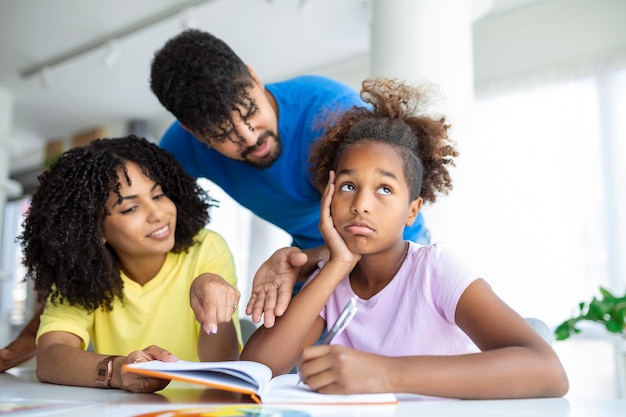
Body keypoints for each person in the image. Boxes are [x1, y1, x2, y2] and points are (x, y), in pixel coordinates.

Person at [240, 78, 569, 399]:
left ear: (412, 211)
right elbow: (255, 369)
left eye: (384, 189)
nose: (361, 205)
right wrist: (336, 264)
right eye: (347, 186)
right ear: (327, 197)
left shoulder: (434, 269)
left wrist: (384, 373)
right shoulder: (332, 279)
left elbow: (549, 371)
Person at [149, 29, 430, 327]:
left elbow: (375, 229)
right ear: (192, 132)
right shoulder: (179, 148)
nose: (249, 137)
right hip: (310, 257)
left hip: (390, 245)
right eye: (223, 134)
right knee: (279, 360)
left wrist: (303, 260)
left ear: (254, 78)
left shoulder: (331, 113)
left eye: (251, 111)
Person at [16, 136, 241, 392]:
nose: (157, 213)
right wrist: (119, 371)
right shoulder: (83, 274)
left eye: (158, 194)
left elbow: (223, 365)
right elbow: (50, 358)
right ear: (94, 229)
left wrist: (213, 308)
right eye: (131, 209)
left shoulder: (206, 248)